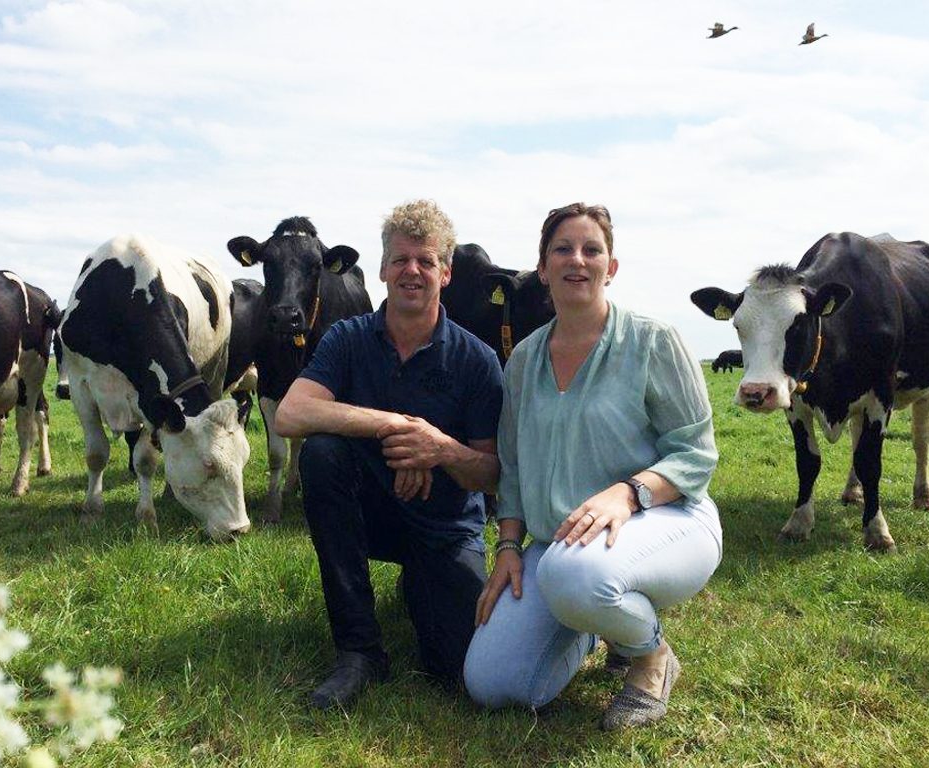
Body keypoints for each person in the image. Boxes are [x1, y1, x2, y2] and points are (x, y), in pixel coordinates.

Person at [462, 203, 721, 729]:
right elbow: (510, 468)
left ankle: (649, 656)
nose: (576, 260)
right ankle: (593, 622)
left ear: (612, 266)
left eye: (591, 249)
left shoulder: (653, 341)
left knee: (572, 573)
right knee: (494, 685)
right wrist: (509, 546)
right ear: (543, 268)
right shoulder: (523, 361)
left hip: (666, 520)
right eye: (562, 249)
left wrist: (626, 493)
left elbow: (695, 452)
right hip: (560, 545)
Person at [275, 200, 504, 710]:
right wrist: (396, 428)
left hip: (444, 524)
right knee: (322, 453)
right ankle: (358, 650)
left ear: (446, 273)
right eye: (400, 259)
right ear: (381, 270)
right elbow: (290, 414)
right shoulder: (349, 338)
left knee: (461, 667)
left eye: (426, 261)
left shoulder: (477, 360)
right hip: (372, 511)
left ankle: (423, 582)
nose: (412, 271)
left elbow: (491, 475)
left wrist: (438, 448)